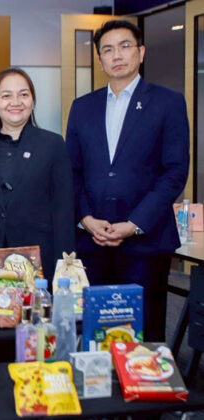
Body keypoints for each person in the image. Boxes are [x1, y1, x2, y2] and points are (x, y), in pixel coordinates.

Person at [66, 20, 189, 342]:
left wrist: (134, 224)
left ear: (141, 52)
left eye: (125, 46)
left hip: (145, 242)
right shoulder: (82, 107)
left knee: (143, 335)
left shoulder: (168, 102)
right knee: (94, 333)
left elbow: (175, 171)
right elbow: (72, 171)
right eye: (108, 50)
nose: (117, 55)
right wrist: (86, 218)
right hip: (91, 241)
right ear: (100, 59)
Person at [0, 68, 75, 295]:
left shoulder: (53, 145)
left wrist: (64, 264)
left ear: (32, 101)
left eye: (23, 94)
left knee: (35, 316)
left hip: (39, 260)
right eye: (6, 95)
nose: (15, 102)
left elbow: (63, 209)